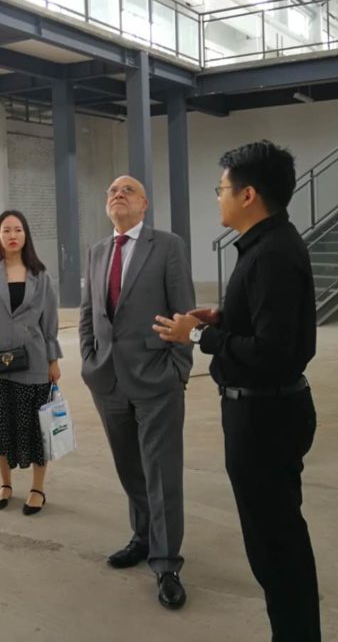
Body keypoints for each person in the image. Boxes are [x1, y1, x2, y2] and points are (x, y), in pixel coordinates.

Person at [154, 141, 320, 641]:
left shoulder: (272, 254)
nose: (218, 197)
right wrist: (224, 316)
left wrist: (199, 336)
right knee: (276, 542)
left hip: (265, 418)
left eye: (221, 188)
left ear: (249, 195)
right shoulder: (266, 245)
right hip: (265, 412)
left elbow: (272, 351)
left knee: (276, 549)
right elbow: (269, 323)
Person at [79, 175, 196, 610]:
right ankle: (143, 537)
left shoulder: (166, 246)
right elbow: (90, 314)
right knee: (130, 468)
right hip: (108, 380)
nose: (117, 195)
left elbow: (184, 312)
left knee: (161, 472)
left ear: (144, 204)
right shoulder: (97, 252)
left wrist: (178, 369)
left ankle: (166, 563)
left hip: (156, 378)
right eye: (111, 191)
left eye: (128, 190)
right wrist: (90, 361)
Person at [0, 210, 62, 515]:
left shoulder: (41, 277)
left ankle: (37, 488)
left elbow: (49, 324)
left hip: (34, 362)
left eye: (18, 230)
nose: (12, 235)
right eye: (6, 230)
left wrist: (53, 361)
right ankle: (6, 484)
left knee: (36, 428)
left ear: (26, 235)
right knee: (2, 427)